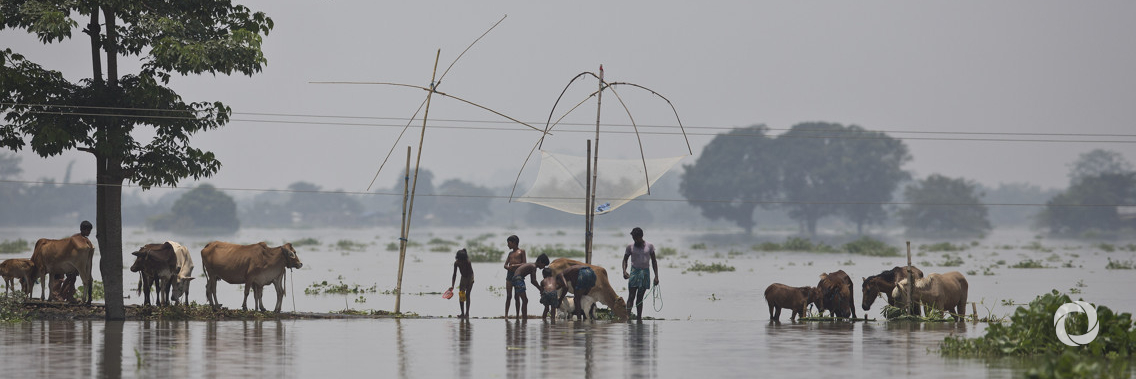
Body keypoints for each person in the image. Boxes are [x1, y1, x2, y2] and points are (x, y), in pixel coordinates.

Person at [622, 227, 659, 321]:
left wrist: (656, 276)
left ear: (641, 236)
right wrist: (624, 271)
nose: (635, 240)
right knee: (631, 296)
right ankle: (627, 317)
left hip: (645, 273)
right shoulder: (630, 246)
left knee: (640, 298)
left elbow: (654, 261)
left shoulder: (649, 246)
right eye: (633, 238)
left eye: (636, 238)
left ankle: (639, 318)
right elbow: (625, 260)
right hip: (634, 273)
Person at [506, 253, 549, 321]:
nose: (543, 267)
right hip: (518, 279)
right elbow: (533, 281)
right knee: (525, 300)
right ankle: (524, 319)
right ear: (540, 262)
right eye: (543, 265)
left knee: (522, 299)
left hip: (516, 278)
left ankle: (522, 318)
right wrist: (540, 289)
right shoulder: (533, 267)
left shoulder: (531, 265)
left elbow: (532, 281)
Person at [502, 235, 526, 318]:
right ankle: (506, 315)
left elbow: (524, 264)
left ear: (514, 243)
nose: (508, 245)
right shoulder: (510, 253)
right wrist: (508, 267)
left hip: (518, 275)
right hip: (509, 275)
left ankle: (517, 315)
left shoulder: (521, 251)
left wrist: (515, 265)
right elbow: (505, 264)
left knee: (517, 296)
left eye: (509, 243)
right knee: (508, 296)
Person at [449, 248, 474, 319]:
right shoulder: (456, 263)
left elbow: (470, 273)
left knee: (467, 294)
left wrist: (469, 284)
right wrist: (452, 285)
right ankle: (462, 313)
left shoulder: (468, 262)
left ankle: (467, 313)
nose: (461, 262)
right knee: (461, 295)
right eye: (460, 260)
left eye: (462, 260)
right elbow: (454, 274)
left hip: (470, 277)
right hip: (463, 277)